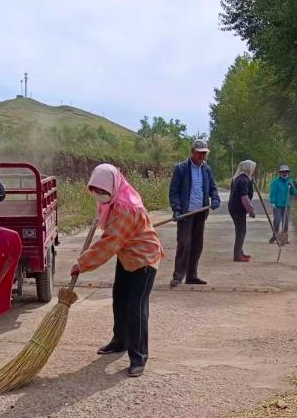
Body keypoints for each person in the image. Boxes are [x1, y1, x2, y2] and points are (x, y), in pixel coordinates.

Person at [71, 164, 165, 377]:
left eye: (103, 191)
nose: (100, 195)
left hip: (144, 258)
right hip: (126, 255)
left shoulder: (125, 207)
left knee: (136, 306)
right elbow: (112, 237)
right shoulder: (111, 201)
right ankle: (120, 341)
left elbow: (109, 244)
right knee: (119, 299)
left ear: (113, 187)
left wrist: (82, 263)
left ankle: (139, 356)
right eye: (96, 191)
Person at [168, 139, 221, 287]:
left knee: (197, 245)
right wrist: (176, 209)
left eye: (204, 154)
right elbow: (174, 192)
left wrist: (215, 198)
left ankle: (191, 275)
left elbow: (213, 188)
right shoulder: (181, 169)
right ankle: (178, 276)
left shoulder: (206, 170)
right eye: (199, 153)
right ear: (192, 152)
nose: (202, 157)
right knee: (184, 243)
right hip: (185, 213)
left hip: (200, 213)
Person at [228, 160, 257, 262]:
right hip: (237, 209)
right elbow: (244, 197)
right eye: (253, 168)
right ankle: (237, 255)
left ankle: (239, 252)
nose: (254, 170)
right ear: (248, 168)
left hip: (235, 208)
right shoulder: (243, 180)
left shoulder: (238, 178)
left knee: (239, 230)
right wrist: (251, 211)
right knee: (241, 231)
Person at [269, 165, 297, 244]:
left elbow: (294, 192)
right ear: (280, 172)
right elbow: (272, 193)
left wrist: (291, 185)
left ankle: (284, 238)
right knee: (277, 220)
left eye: (286, 172)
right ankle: (275, 235)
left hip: (286, 205)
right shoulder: (275, 182)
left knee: (286, 222)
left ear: (288, 172)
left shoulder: (289, 181)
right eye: (283, 172)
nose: (284, 173)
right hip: (277, 205)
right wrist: (272, 202)